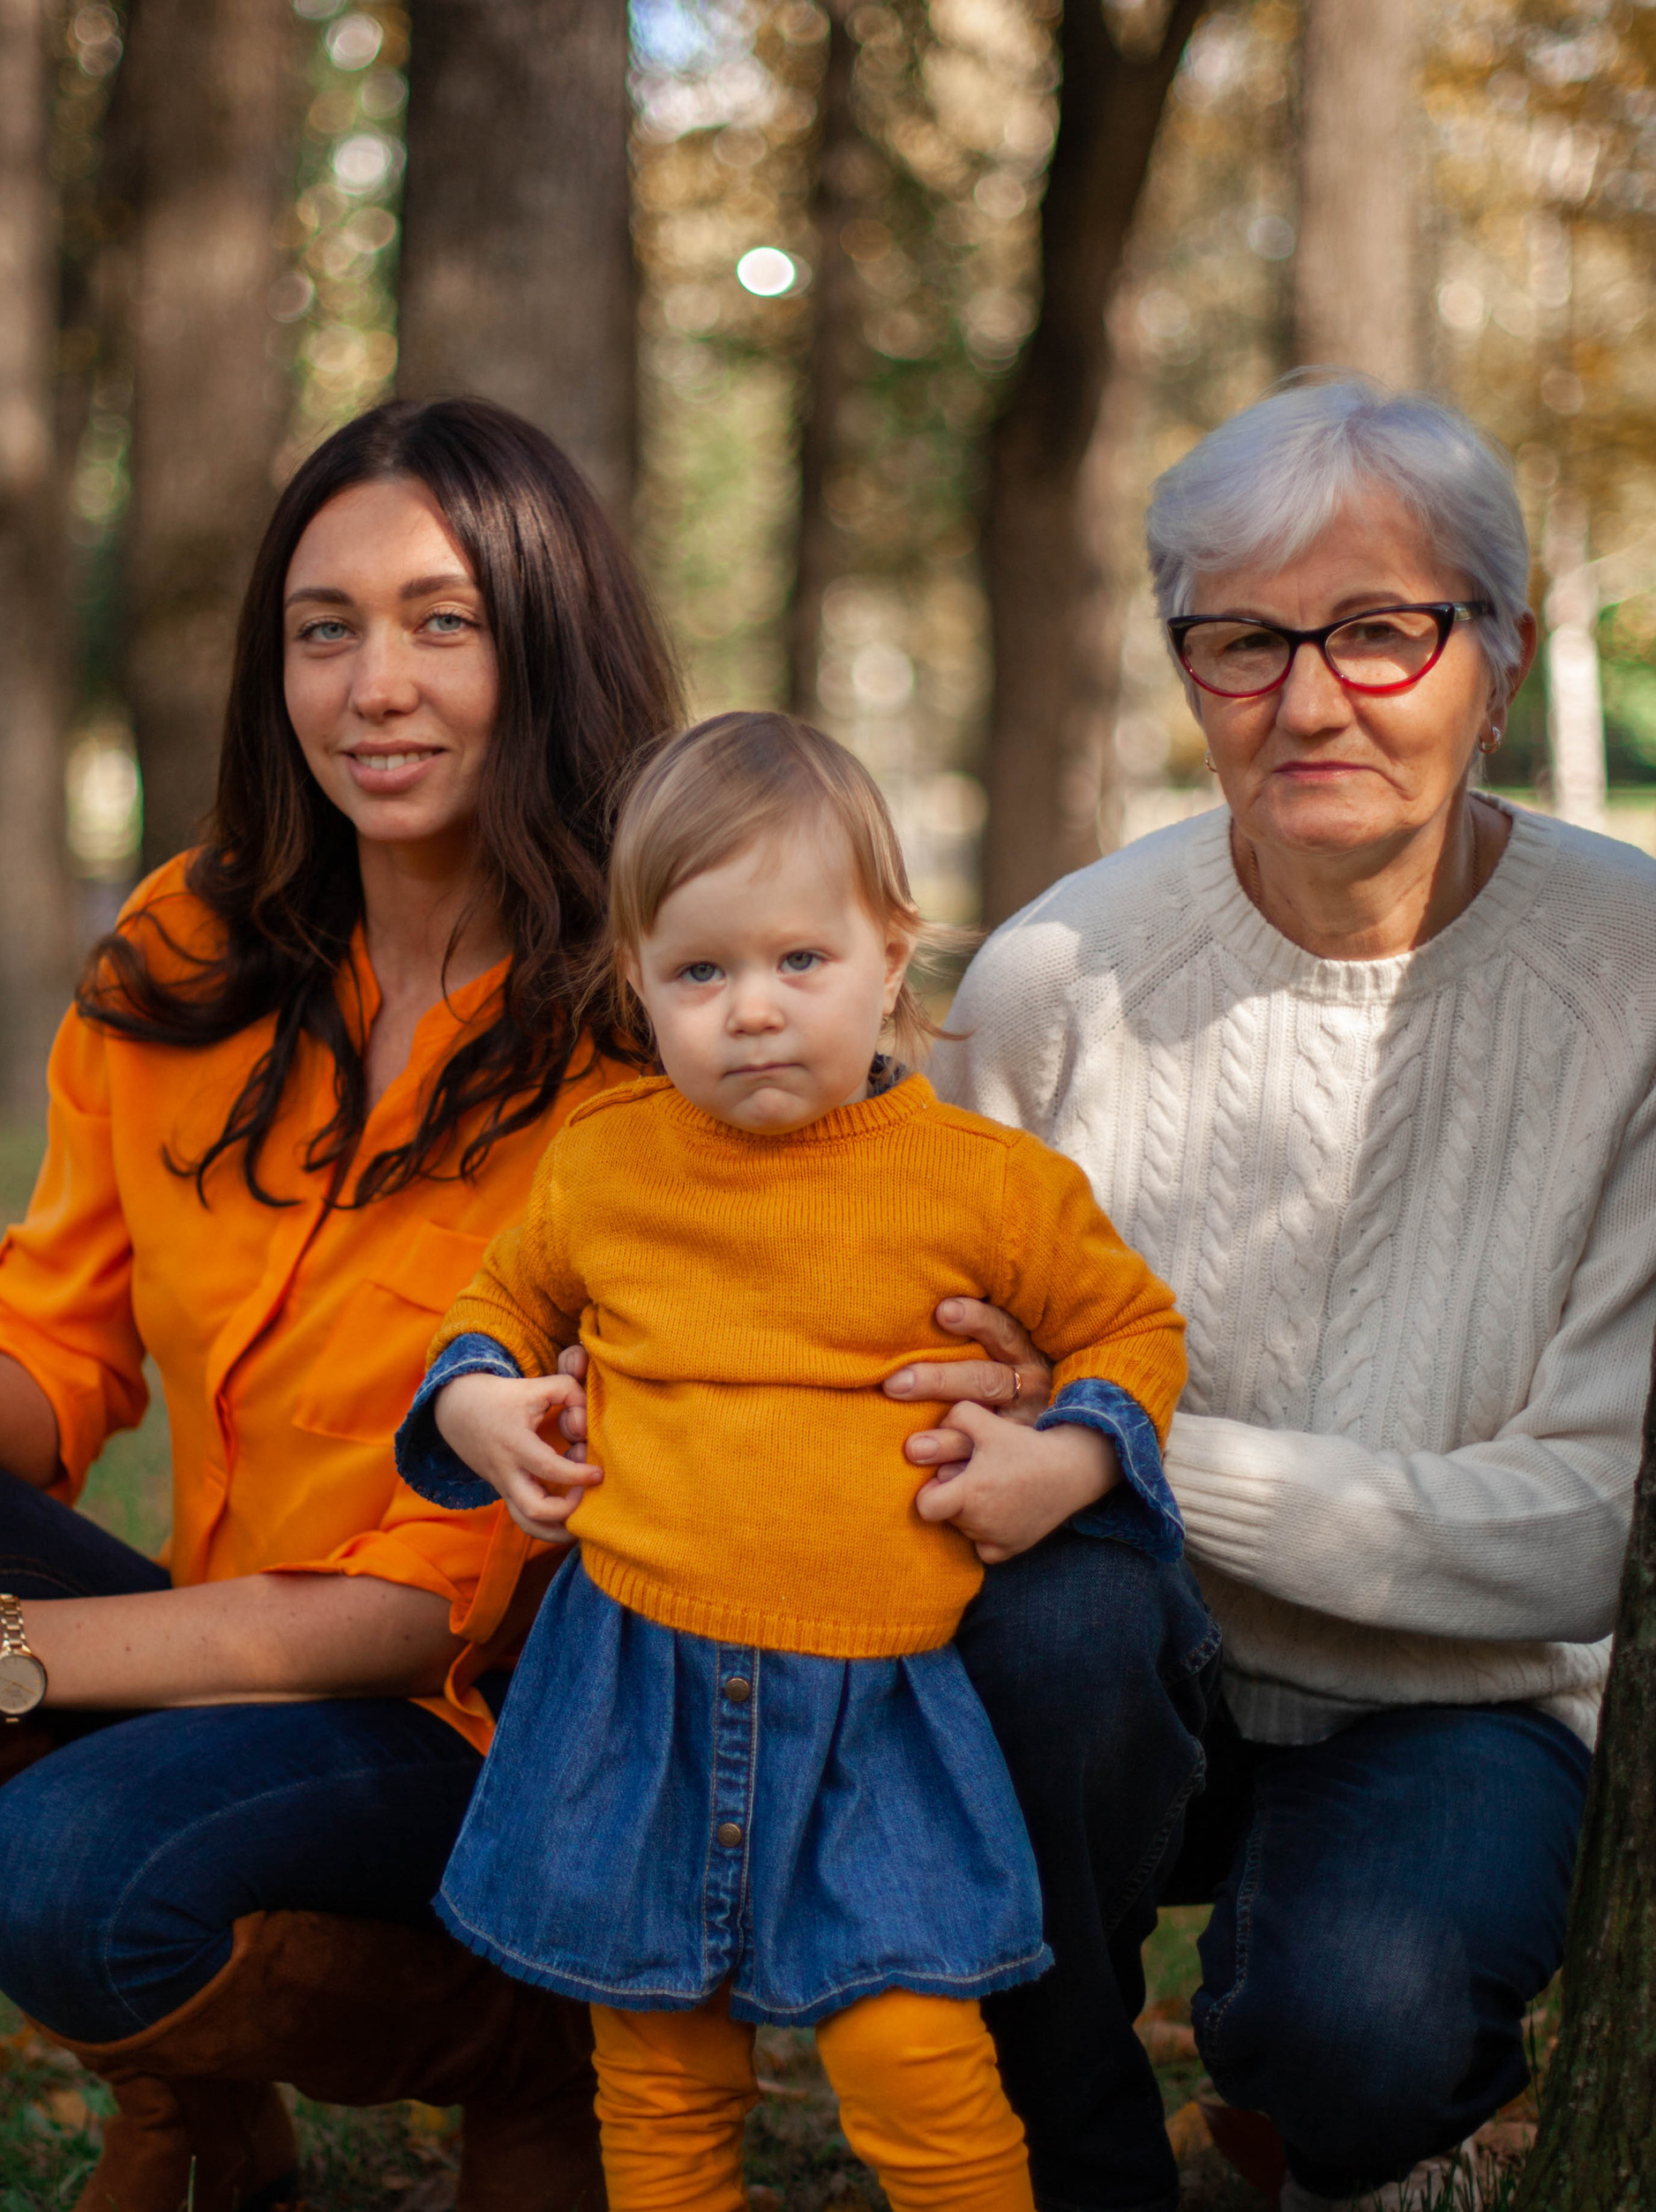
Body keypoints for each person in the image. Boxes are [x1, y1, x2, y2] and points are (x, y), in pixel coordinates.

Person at [0, 398, 683, 2212]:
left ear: (546, 645)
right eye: (323, 628)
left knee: (63, 1870)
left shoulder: (641, 1031)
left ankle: (533, 2042)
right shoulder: (189, 947)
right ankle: (203, 2102)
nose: (375, 685)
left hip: (501, 1732)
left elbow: (418, 1609)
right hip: (241, 1657)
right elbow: (58, 1344)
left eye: (443, 622)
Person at [888, 375, 1656, 2211]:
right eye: (1244, 642)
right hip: (1124, 1666)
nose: (1311, 700)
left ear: (1499, 654)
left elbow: (1586, 1531)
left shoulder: (1651, 970)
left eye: (1380, 631)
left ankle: (1285, 2114)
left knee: (1362, 2029)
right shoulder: (1057, 976)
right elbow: (948, 1408)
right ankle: (1068, 2154)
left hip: (1466, 1700)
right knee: (1045, 1640)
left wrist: (1121, 1441)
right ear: (1188, 673)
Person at [392, 713, 1190, 2212]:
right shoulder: (608, 1163)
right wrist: (478, 1405)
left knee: (914, 2055)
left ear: (892, 957)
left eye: (799, 961)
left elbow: (1133, 1329)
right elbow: (496, 1306)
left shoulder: (979, 1186)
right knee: (661, 2067)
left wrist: (1070, 1465)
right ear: (635, 982)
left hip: (879, 1709)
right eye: (699, 973)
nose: (751, 1010)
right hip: (634, 1692)